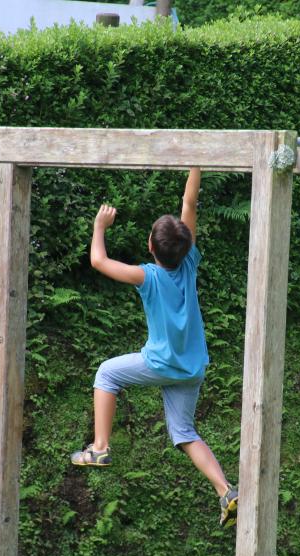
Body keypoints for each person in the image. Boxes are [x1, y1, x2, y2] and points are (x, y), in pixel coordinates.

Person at [69, 168, 239, 528]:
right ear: (187, 245)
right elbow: (189, 202)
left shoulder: (147, 275)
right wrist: (195, 164)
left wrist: (100, 227)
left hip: (162, 364)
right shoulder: (189, 261)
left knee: (106, 373)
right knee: (184, 433)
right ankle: (225, 490)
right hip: (192, 368)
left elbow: (98, 262)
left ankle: (99, 447)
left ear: (150, 247)